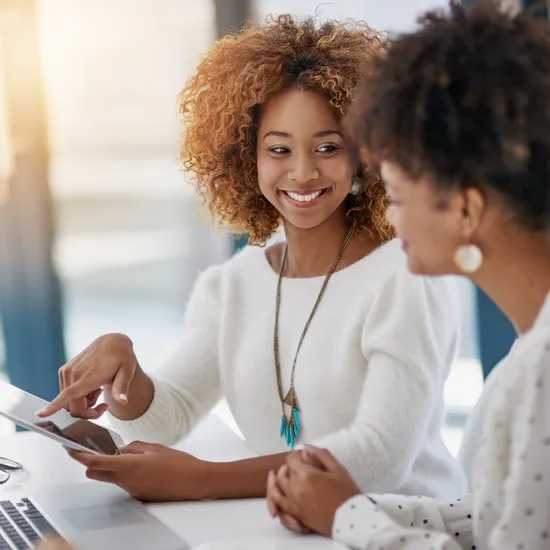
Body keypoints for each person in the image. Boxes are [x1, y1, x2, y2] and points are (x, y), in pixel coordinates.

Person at [37, 15, 465, 502]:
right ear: (246, 158)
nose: (302, 173)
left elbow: (379, 457)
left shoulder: (406, 275)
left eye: (328, 147)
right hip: (287, 531)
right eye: (279, 149)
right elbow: (167, 418)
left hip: (406, 530)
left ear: (365, 155)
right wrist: (124, 368)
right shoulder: (235, 285)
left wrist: (203, 480)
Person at [266, 2, 550, 549]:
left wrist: (350, 517)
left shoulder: (541, 368)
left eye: (396, 195)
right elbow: (500, 518)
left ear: (466, 209)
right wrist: (354, 505)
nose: (390, 217)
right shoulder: (531, 347)